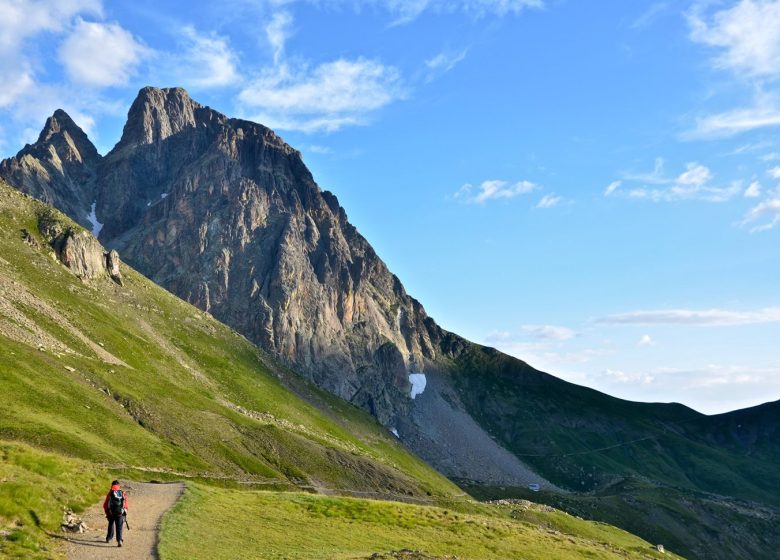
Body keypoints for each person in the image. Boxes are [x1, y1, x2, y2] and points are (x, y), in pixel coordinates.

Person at [102, 480, 128, 547]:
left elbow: (105, 505)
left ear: (112, 485)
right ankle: (119, 540)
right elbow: (125, 504)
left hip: (111, 513)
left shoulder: (110, 493)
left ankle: (108, 538)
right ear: (119, 486)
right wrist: (125, 511)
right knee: (119, 527)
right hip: (120, 513)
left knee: (111, 524)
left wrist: (107, 512)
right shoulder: (122, 493)